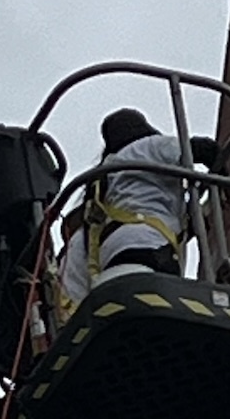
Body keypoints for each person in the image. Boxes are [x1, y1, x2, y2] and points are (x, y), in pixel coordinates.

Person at [57, 108, 219, 310]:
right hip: (149, 245)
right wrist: (221, 177)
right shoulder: (149, 146)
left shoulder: (104, 177)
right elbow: (203, 149)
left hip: (113, 258)